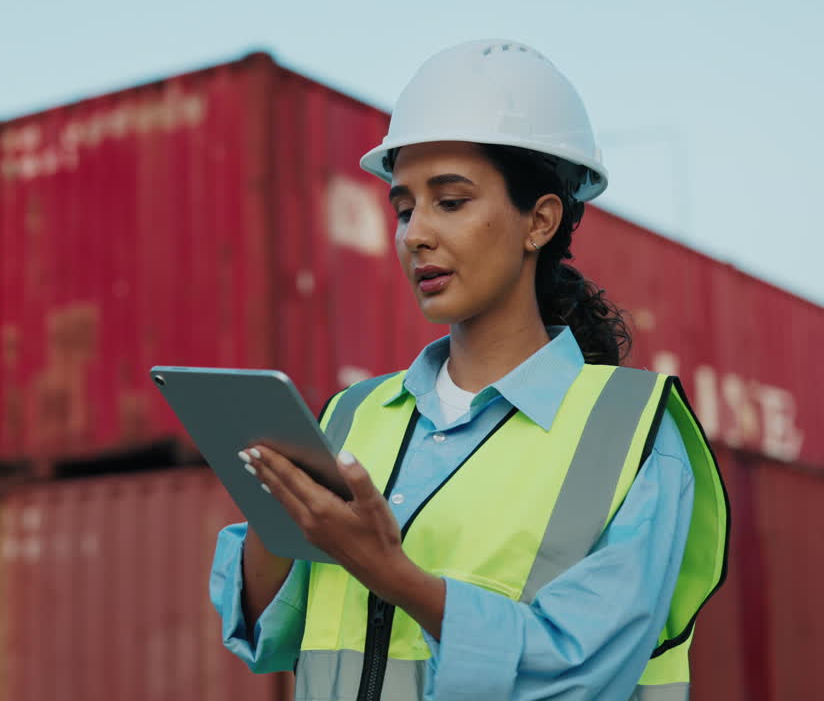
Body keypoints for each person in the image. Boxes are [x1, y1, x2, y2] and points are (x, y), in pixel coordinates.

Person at [209, 39, 728, 701]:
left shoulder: (632, 434)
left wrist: (392, 572)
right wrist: (275, 510)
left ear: (538, 221)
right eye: (403, 208)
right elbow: (266, 636)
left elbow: (579, 673)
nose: (414, 234)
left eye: (449, 201)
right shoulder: (352, 415)